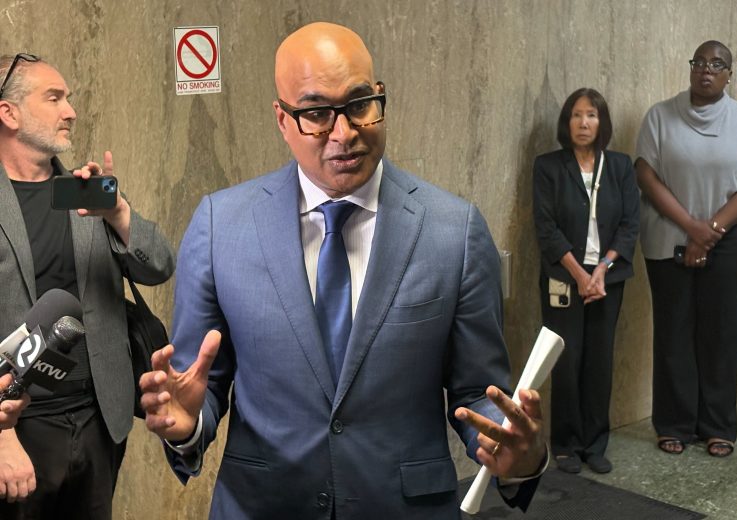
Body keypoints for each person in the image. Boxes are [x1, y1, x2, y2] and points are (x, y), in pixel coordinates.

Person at [140, 22, 547, 519]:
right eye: (315, 113)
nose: (344, 132)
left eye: (359, 105)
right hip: (263, 506)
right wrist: (187, 426)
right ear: (282, 119)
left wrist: (514, 451)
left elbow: (476, 391)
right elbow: (199, 387)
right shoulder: (220, 224)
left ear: (379, 97)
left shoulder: (453, 231)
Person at [0, 54, 175, 518]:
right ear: (8, 113)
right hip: (19, 424)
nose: (70, 111)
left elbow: (158, 266)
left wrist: (117, 212)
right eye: (53, 98)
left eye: (69, 98)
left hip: (99, 419)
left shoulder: (84, 191)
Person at [635, 40, 737, 458]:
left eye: (717, 64)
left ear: (730, 73)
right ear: (691, 67)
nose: (706, 70)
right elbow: (646, 176)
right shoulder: (659, 116)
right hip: (667, 235)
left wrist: (709, 230)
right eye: (699, 62)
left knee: (720, 333)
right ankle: (673, 423)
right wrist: (692, 227)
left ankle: (718, 425)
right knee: (673, 330)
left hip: (726, 241)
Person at [532, 88, 639, 474]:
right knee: (566, 358)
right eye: (576, 115)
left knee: (599, 360)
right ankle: (564, 444)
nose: (583, 123)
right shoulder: (548, 167)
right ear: (567, 122)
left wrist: (601, 271)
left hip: (607, 279)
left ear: (601, 122)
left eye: (591, 115)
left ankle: (595, 444)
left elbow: (630, 225)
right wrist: (579, 274)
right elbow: (546, 228)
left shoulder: (621, 167)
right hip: (564, 279)